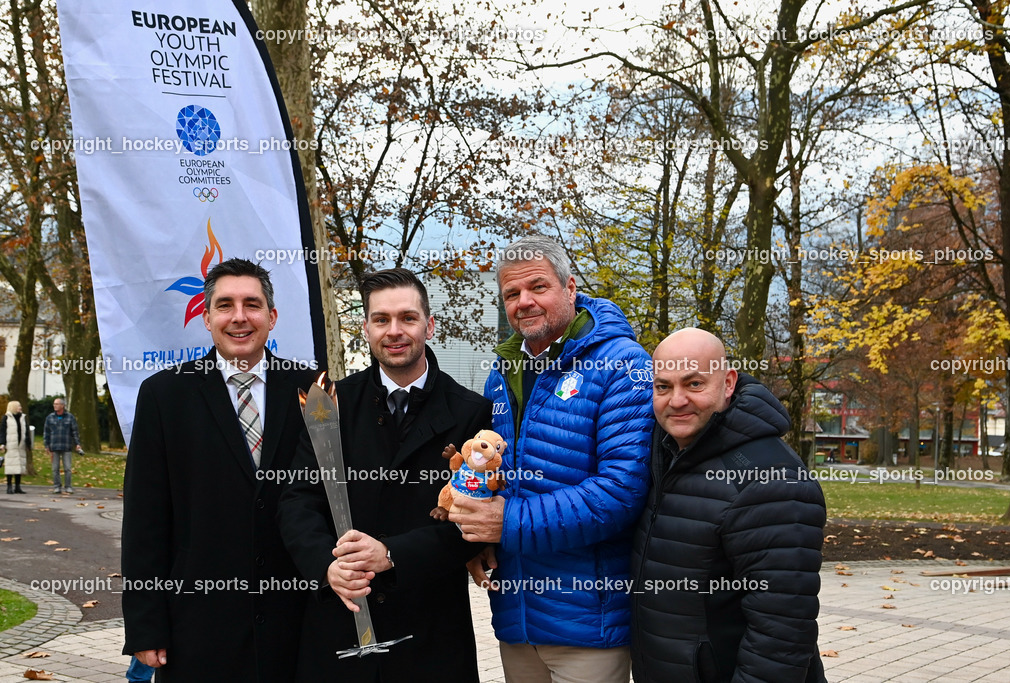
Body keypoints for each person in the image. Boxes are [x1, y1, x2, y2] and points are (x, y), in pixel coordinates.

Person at [450, 235, 653, 682]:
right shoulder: (502, 374)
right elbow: (497, 479)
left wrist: (507, 524)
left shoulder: (623, 364)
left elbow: (622, 490)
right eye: (511, 293)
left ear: (570, 287)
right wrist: (479, 540)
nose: (524, 301)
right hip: (516, 620)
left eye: (538, 287)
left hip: (588, 625)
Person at [278, 267, 491, 682]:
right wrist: (326, 566)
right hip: (342, 620)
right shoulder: (329, 404)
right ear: (366, 328)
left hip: (430, 634)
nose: (394, 331)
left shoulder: (470, 412)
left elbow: (473, 523)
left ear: (429, 325)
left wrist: (392, 554)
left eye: (407, 318)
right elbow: (298, 499)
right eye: (381, 319)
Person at [121, 258, 317, 682]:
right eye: (225, 305)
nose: (240, 317)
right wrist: (145, 624)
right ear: (206, 317)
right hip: (198, 627)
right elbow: (144, 521)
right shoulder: (164, 395)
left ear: (272, 317)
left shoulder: (313, 389)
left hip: (297, 624)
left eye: (252, 304)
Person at [631, 328, 826, 682]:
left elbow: (781, 632)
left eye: (694, 384)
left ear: (729, 383)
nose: (676, 400)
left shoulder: (772, 478)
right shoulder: (664, 452)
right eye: (663, 386)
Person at [44, 398, 82, 494]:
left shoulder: (70, 417)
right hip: (54, 446)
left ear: (62, 405)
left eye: (57, 404)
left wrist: (77, 444)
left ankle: (68, 486)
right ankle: (57, 486)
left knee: (67, 468)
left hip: (66, 446)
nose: (55, 406)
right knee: (55, 468)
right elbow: (46, 432)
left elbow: (74, 431)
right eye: (54, 404)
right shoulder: (50, 418)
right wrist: (46, 445)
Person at [2, 401, 31, 494]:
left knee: (19, 466)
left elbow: (26, 431)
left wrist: (28, 444)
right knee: (10, 466)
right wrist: (2, 443)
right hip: (11, 445)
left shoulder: (22, 417)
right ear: (13, 407)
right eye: (19, 406)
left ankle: (18, 486)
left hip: (20, 445)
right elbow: (2, 432)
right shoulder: (6, 418)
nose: (20, 407)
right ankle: (9, 486)